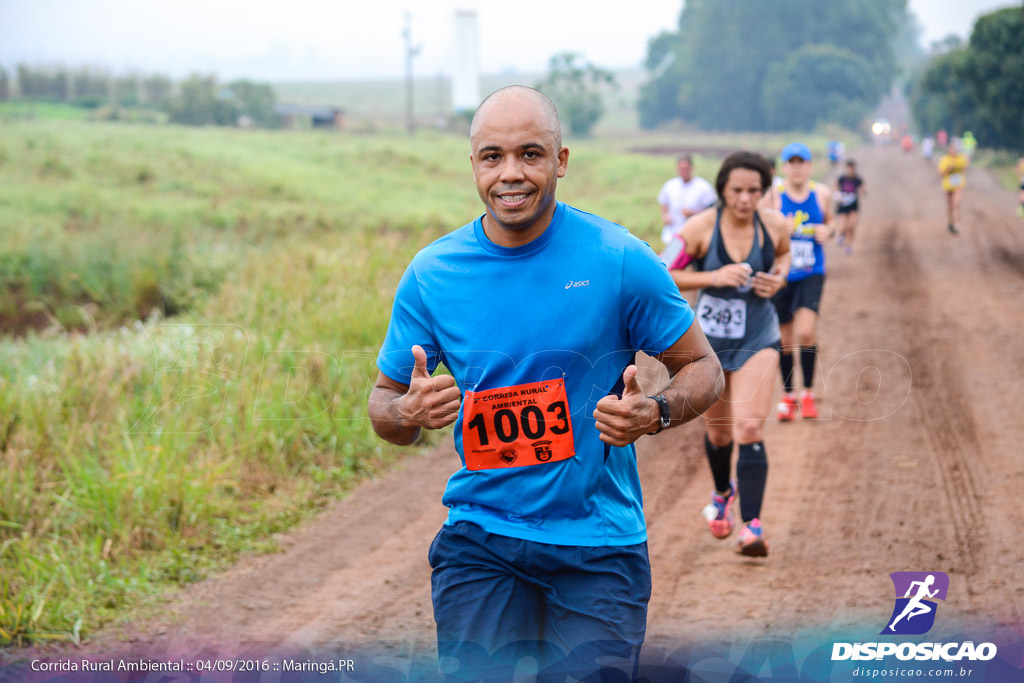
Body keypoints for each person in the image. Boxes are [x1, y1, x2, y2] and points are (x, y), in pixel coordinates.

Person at [368, 85, 724, 680]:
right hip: (481, 538)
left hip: (598, 546)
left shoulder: (620, 259)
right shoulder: (434, 273)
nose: (511, 173)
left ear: (561, 161)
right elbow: (383, 404)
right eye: (493, 157)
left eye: (531, 154)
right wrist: (407, 412)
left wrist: (655, 413)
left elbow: (705, 367)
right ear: (475, 165)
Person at [669, 152, 790, 557]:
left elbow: (785, 254)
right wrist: (713, 276)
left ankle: (752, 527)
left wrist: (779, 279)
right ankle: (722, 493)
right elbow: (663, 271)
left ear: (763, 192)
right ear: (722, 188)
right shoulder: (700, 227)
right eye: (737, 190)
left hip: (759, 335)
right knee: (719, 433)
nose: (744, 199)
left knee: (750, 427)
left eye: (754, 191)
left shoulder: (774, 225)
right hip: (710, 347)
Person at [770, 142, 834, 422]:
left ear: (809, 165)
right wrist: (777, 230)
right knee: (784, 339)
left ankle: (807, 393)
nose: (796, 167)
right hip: (781, 274)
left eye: (801, 162)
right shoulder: (773, 195)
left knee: (806, 332)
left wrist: (827, 230)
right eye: (791, 162)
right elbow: (758, 229)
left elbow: (831, 223)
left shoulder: (822, 194)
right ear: (784, 167)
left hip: (811, 272)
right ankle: (788, 396)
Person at [658, 154, 717, 245]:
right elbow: (663, 202)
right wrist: (665, 215)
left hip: (694, 235)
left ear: (691, 168)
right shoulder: (670, 185)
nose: (683, 172)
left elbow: (712, 210)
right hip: (672, 234)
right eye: (680, 169)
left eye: (685, 169)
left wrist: (693, 213)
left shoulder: (703, 187)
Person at [937, 139, 969, 235]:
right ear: (949, 149)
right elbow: (940, 173)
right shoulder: (944, 159)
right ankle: (951, 222)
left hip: (959, 185)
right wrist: (948, 168)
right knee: (950, 206)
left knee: (956, 203)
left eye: (955, 149)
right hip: (947, 185)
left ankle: (956, 224)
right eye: (952, 149)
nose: (954, 151)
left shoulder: (961, 158)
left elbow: (965, 167)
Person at [834, 159, 866, 254]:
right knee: (844, 225)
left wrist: (862, 191)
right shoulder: (842, 178)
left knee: (852, 226)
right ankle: (841, 235)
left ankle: (849, 245)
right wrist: (837, 194)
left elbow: (863, 188)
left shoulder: (857, 179)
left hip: (853, 205)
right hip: (843, 205)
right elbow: (836, 186)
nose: (850, 170)